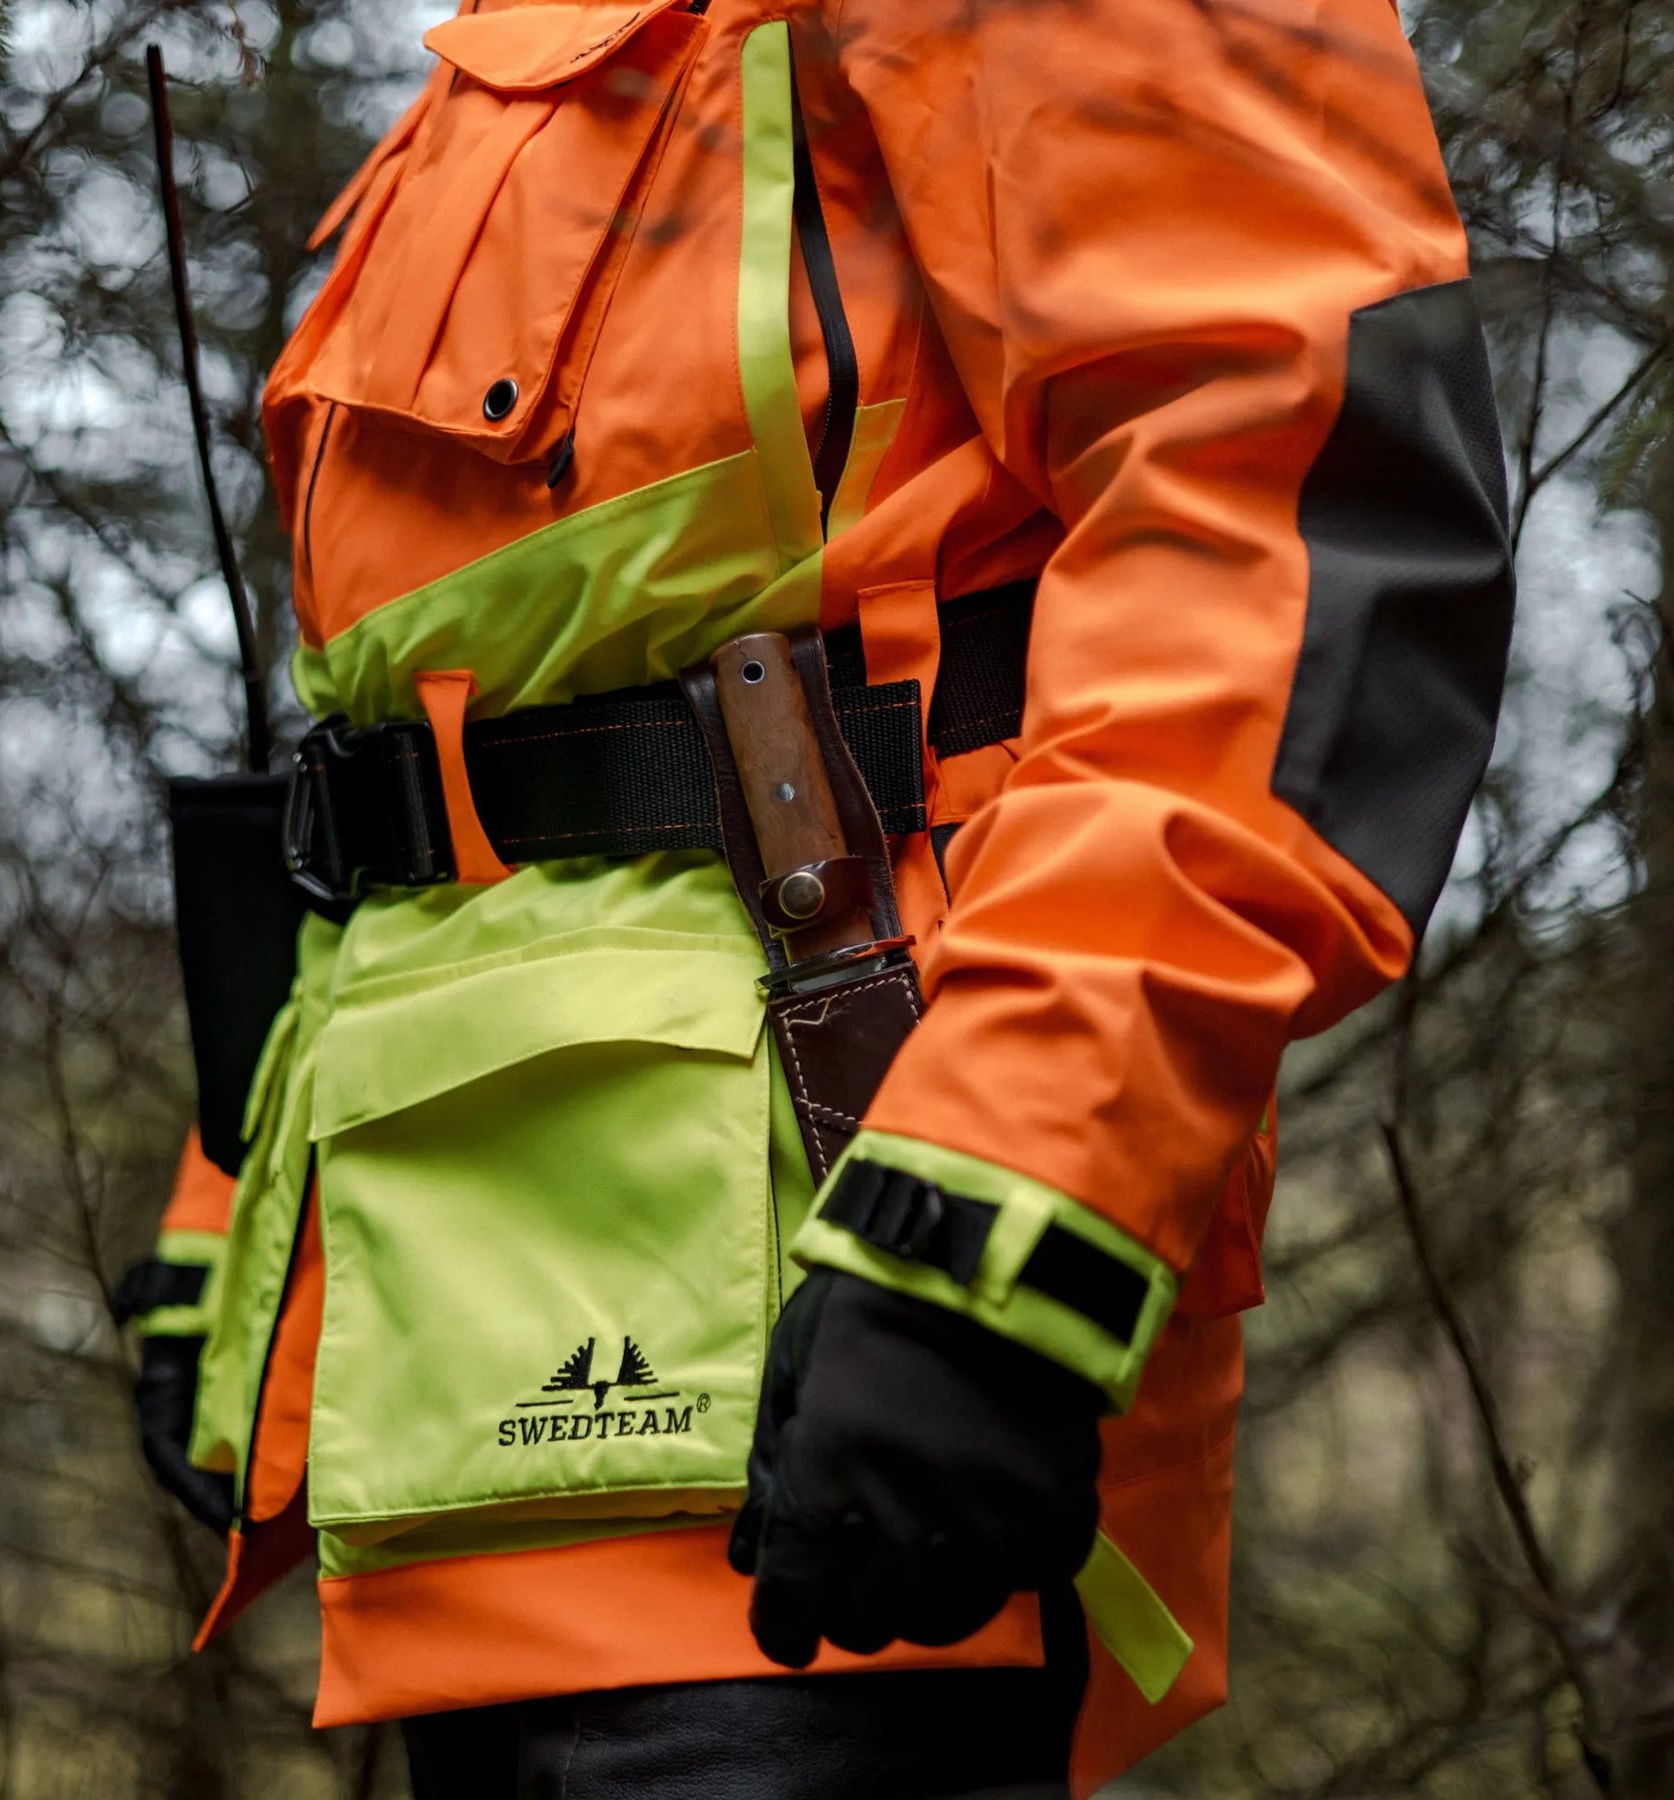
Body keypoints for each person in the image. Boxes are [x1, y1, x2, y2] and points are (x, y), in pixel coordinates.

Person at [111, 0, 1514, 1793]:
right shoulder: (505, 61)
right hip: (452, 1434)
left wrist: (991, 1234)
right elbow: (444, 777)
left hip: (829, 1360)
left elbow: (1274, 511)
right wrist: (233, 1234)